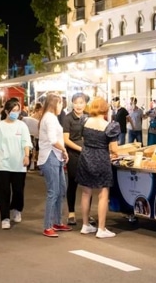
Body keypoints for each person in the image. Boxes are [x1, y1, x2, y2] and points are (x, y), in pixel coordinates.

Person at [77, 97, 120, 239]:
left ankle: (85, 225)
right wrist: (117, 152)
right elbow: (114, 149)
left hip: (85, 157)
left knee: (85, 193)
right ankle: (101, 229)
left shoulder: (84, 121)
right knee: (103, 193)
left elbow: (83, 140)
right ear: (105, 109)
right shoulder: (110, 126)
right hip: (101, 158)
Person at [0, 98, 32, 230]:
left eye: (17, 110)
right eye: (13, 110)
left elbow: (26, 142)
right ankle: (5, 217)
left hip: (19, 163)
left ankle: (16, 209)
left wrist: (27, 156)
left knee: (18, 190)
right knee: (3, 191)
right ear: (7, 111)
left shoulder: (22, 125)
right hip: (3, 163)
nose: (16, 113)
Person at [38, 93, 70, 238]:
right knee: (54, 191)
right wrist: (63, 150)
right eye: (60, 104)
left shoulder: (51, 117)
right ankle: (48, 225)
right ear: (54, 104)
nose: (61, 106)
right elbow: (52, 140)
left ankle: (57, 221)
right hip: (50, 156)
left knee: (61, 190)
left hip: (56, 156)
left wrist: (62, 152)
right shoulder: (49, 118)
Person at [62, 92, 88, 225]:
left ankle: (86, 214)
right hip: (73, 154)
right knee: (72, 183)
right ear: (72, 103)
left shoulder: (88, 117)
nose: (78, 106)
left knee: (88, 185)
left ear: (85, 104)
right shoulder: (67, 118)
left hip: (87, 154)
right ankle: (71, 213)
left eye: (81, 103)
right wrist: (80, 149)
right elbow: (66, 139)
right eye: (76, 103)